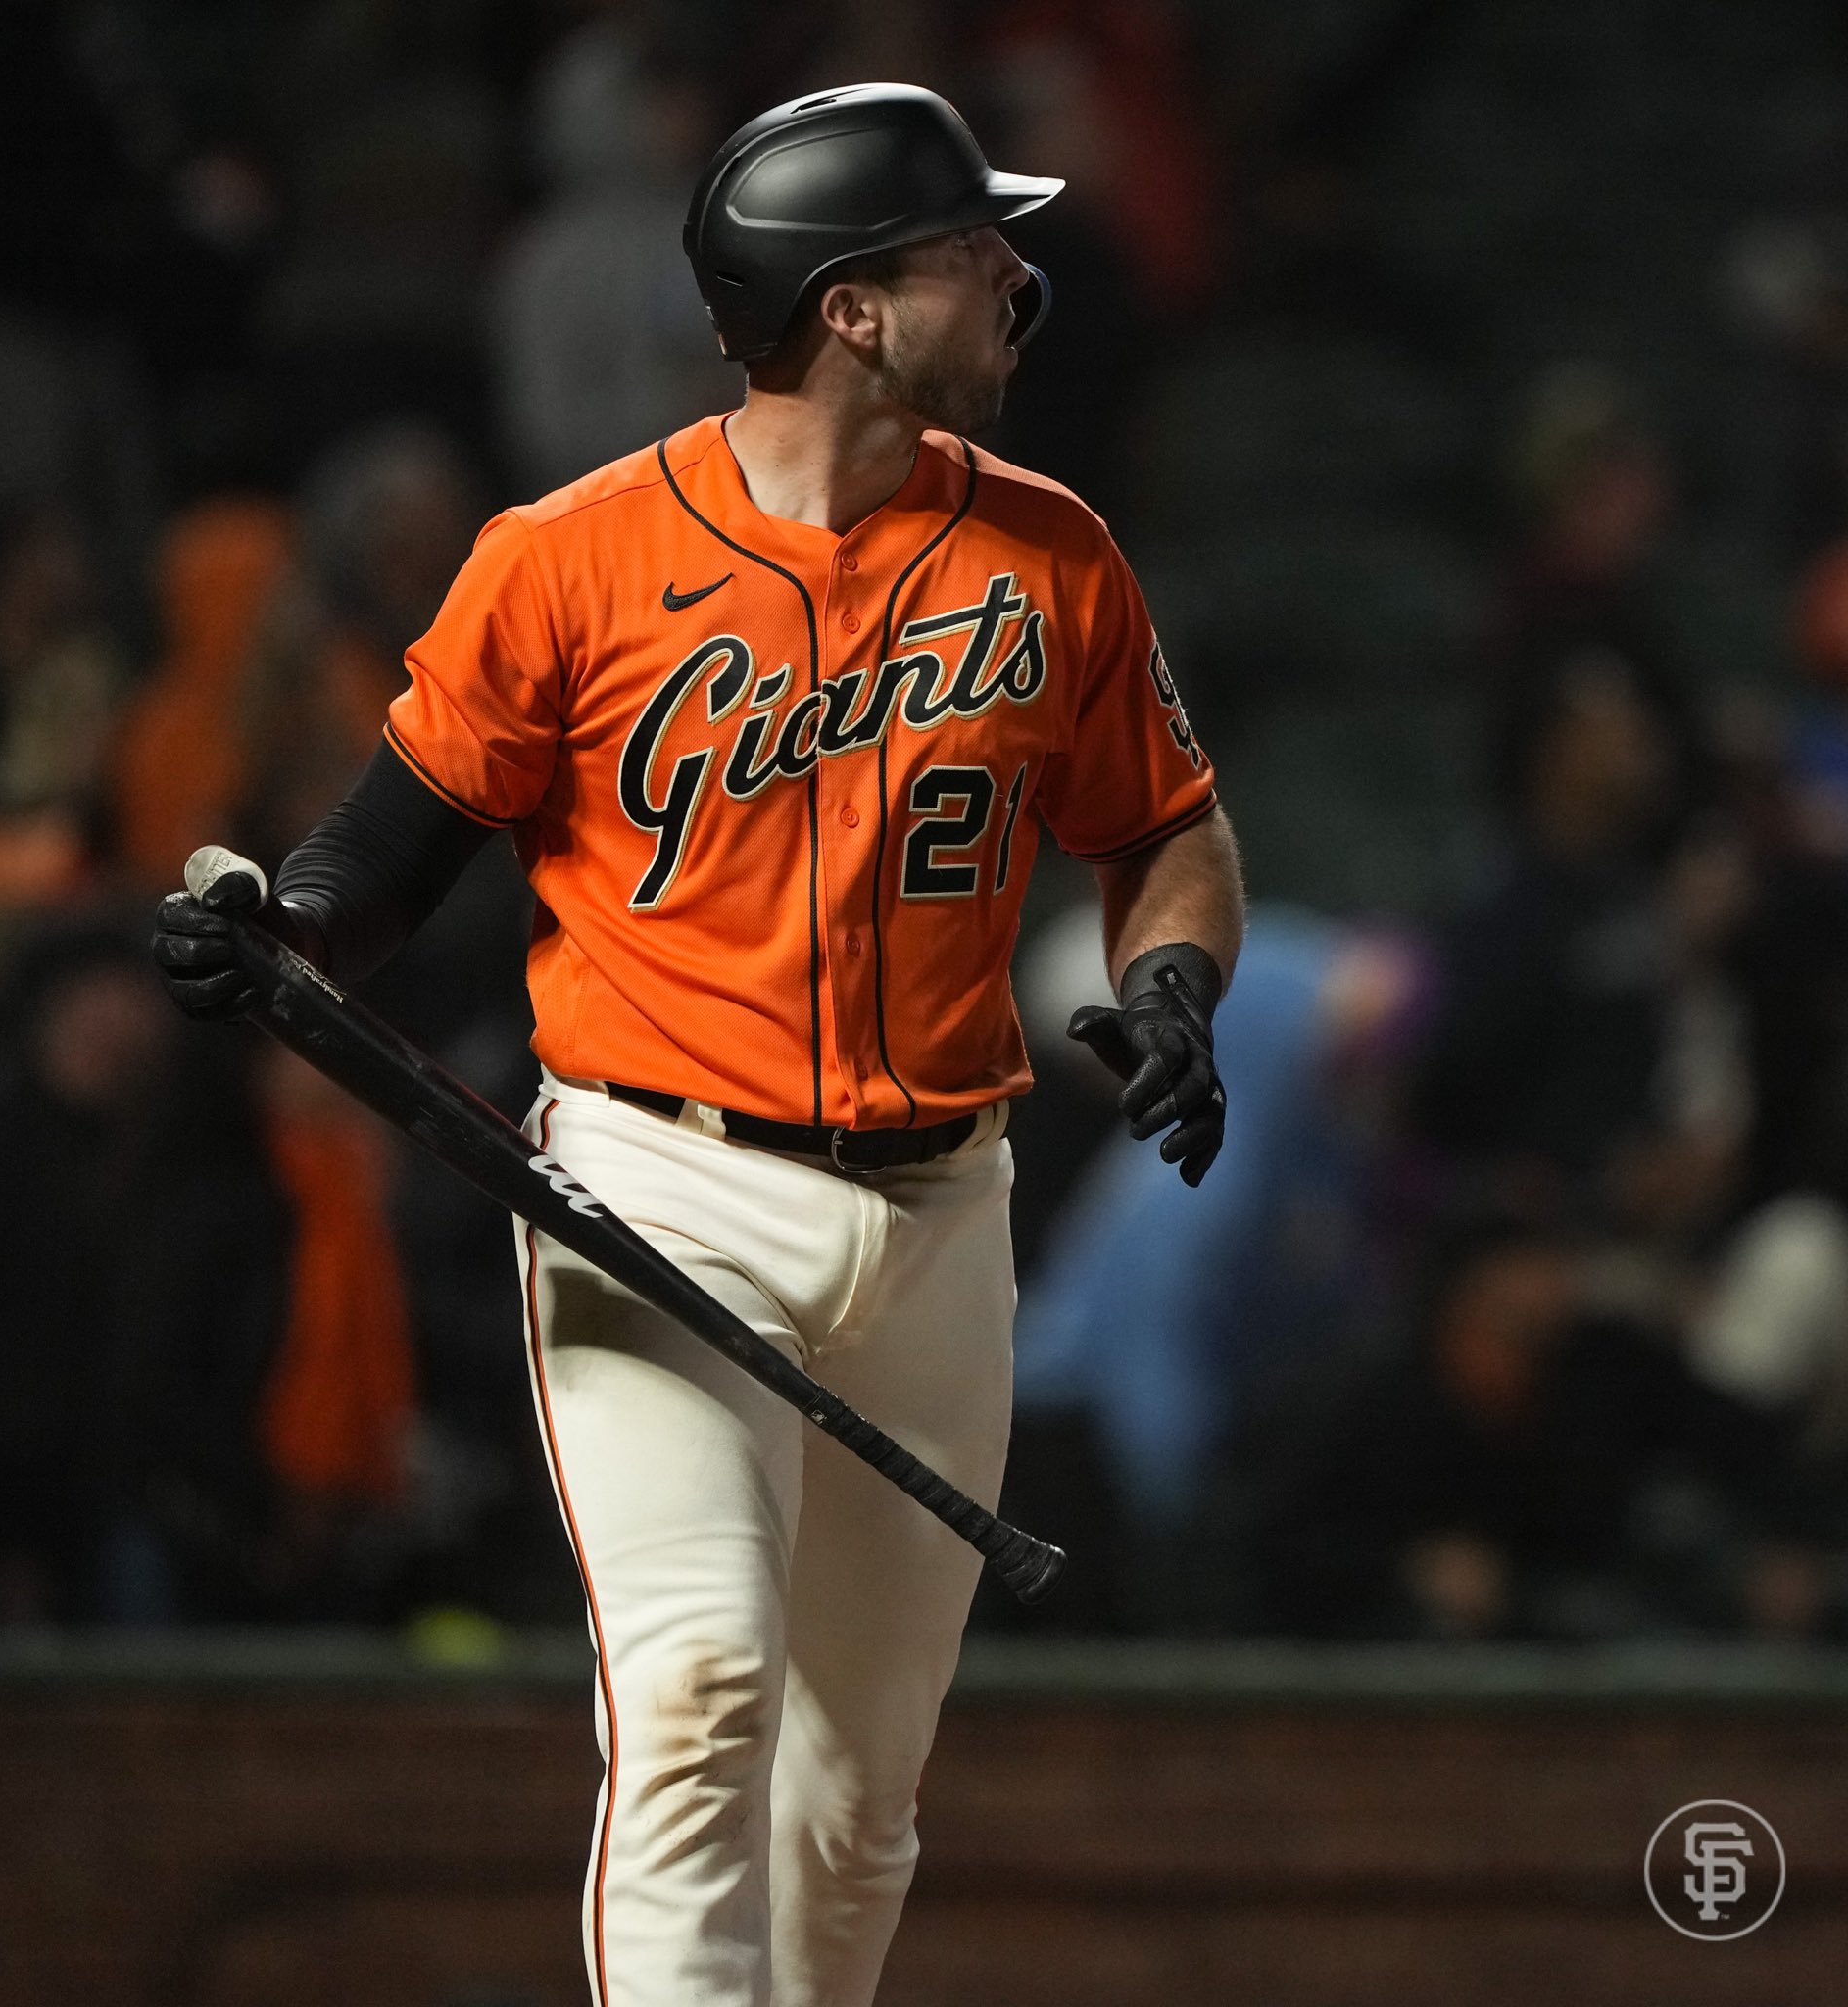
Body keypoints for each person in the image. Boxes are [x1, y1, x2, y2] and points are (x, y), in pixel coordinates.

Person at [154, 83, 1242, 2007]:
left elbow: (1164, 827)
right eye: (965, 248)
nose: (1013, 272)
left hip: (935, 1214)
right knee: (701, 1686)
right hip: (655, 1191)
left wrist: (1173, 977)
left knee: (855, 1803)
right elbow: (381, 862)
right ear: (848, 307)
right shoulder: (566, 558)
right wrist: (279, 921)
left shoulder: (1051, 550)